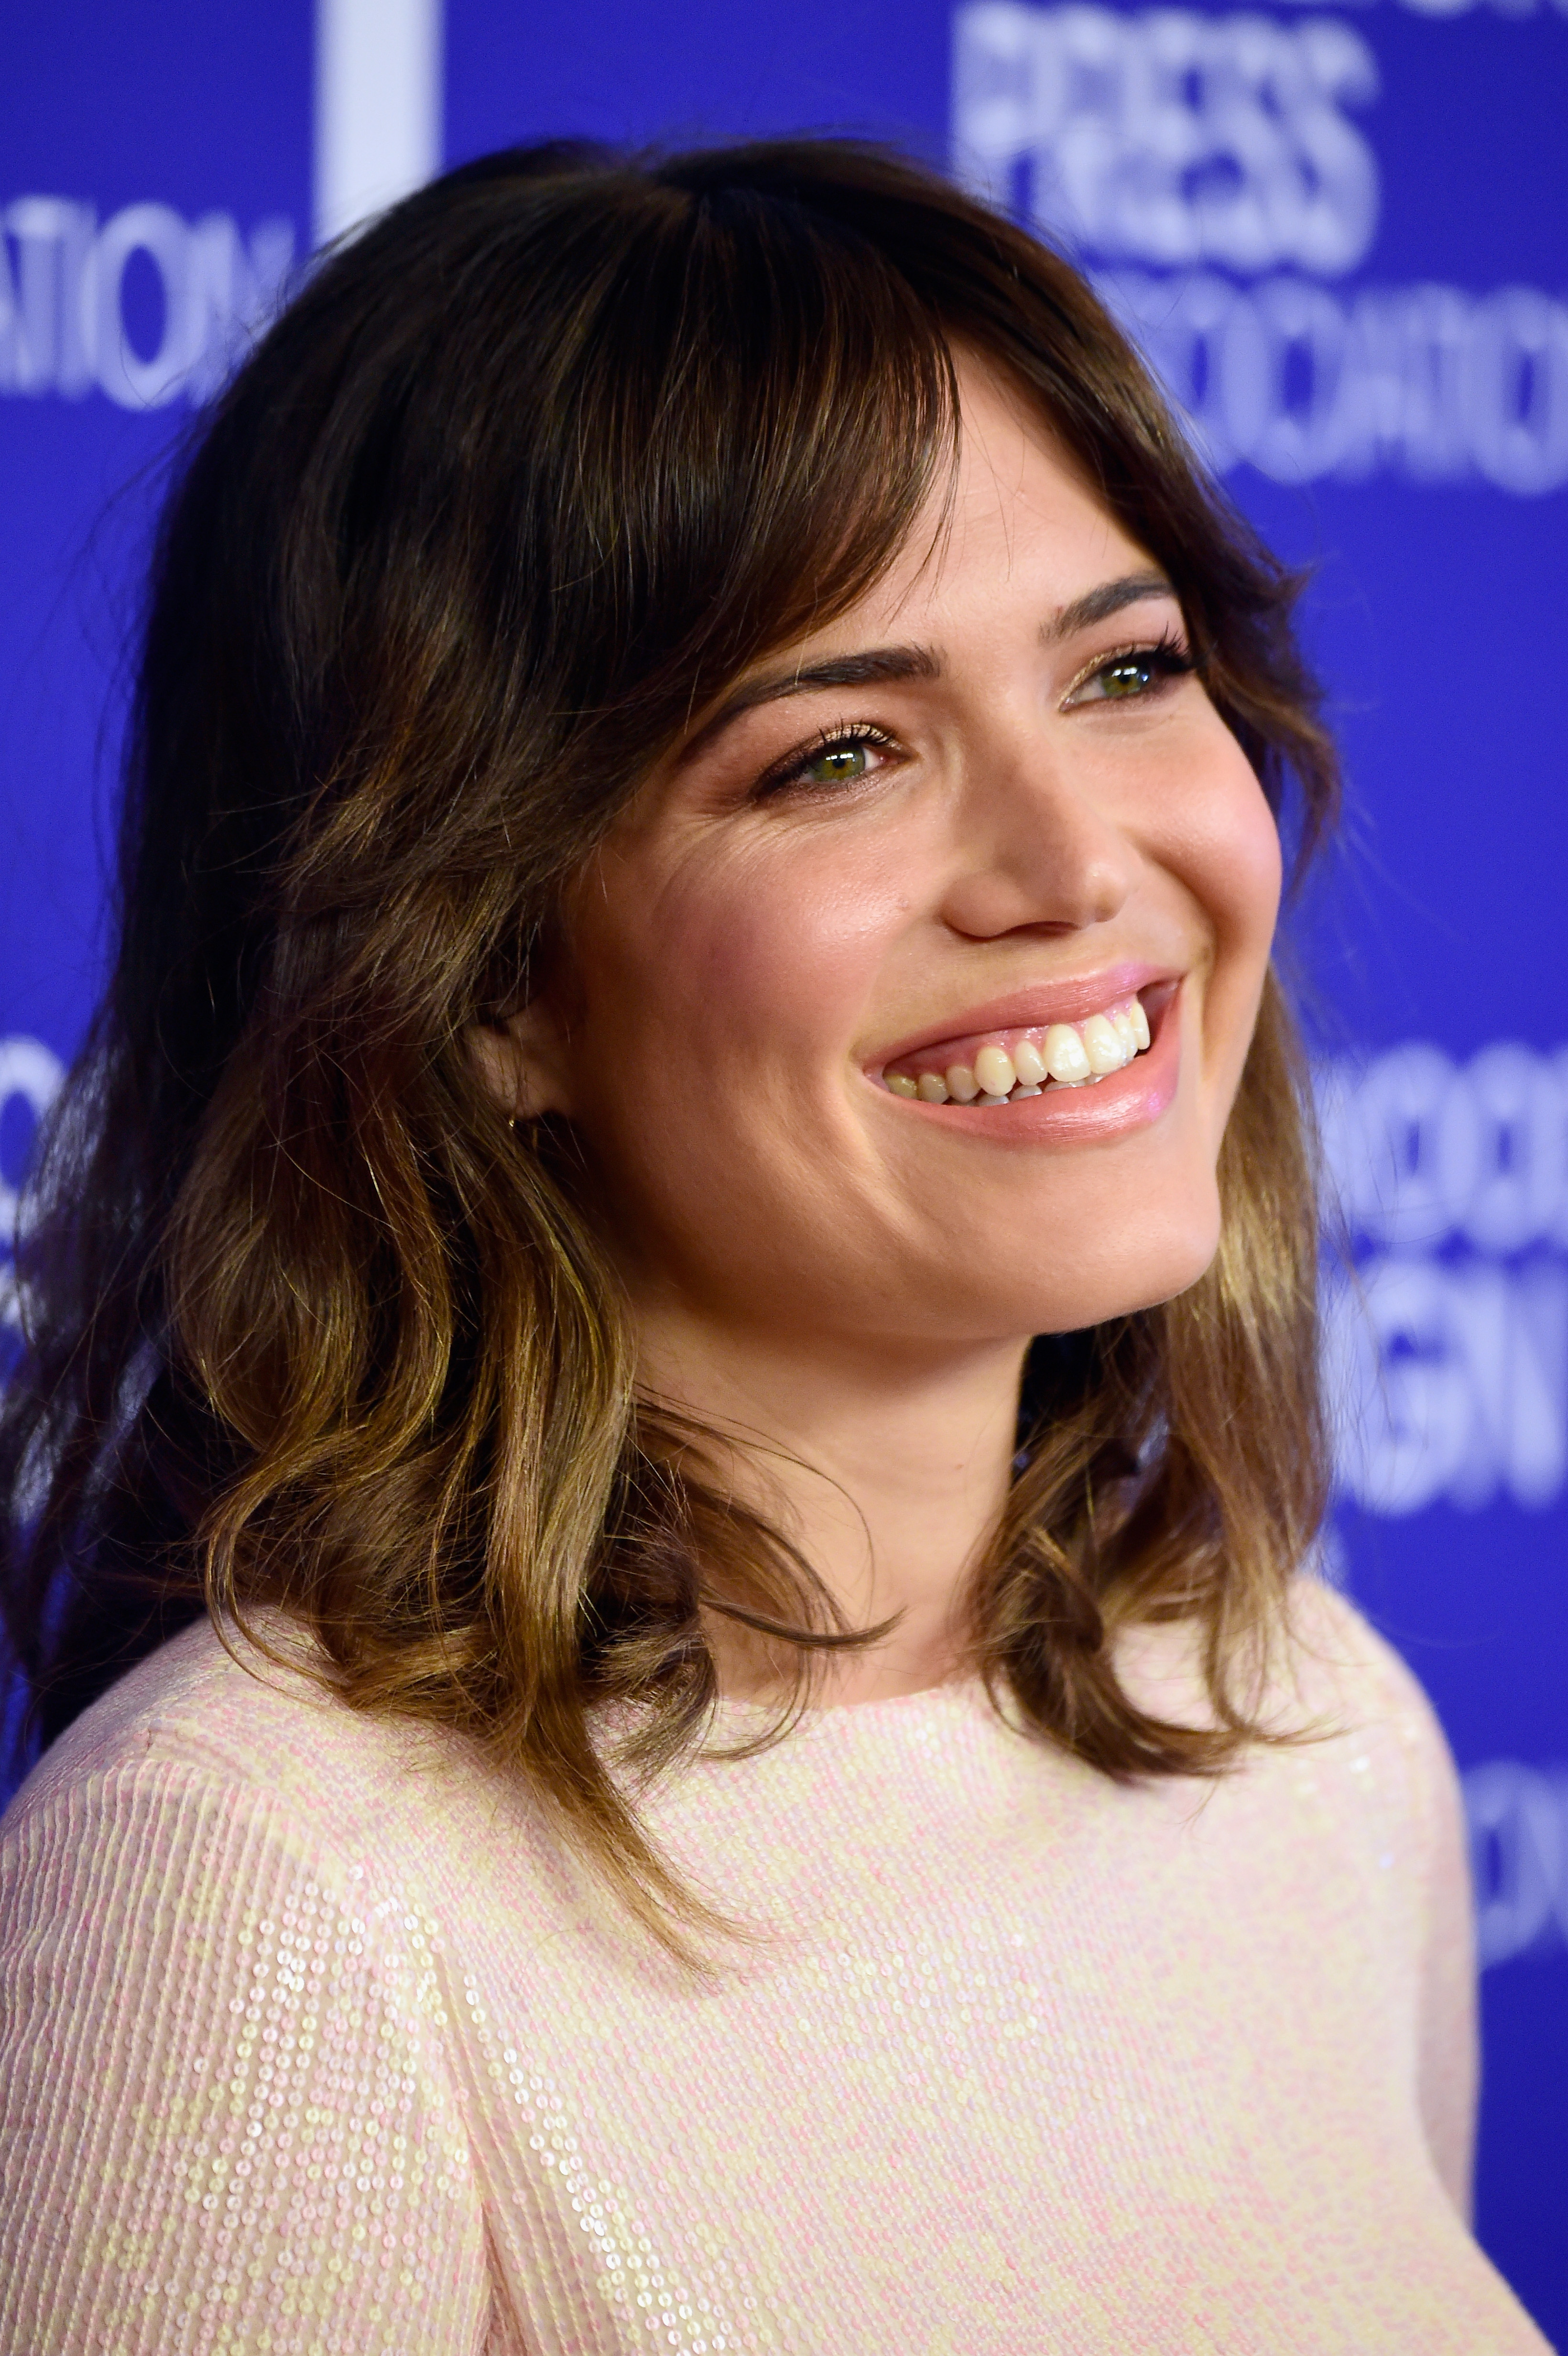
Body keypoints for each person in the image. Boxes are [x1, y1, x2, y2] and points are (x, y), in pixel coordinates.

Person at [0, 138, 1548, 2356]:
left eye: (1125, 669)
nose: (1071, 863)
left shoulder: (1310, 1730)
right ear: (489, 978)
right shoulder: (252, 1895)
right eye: (838, 752)